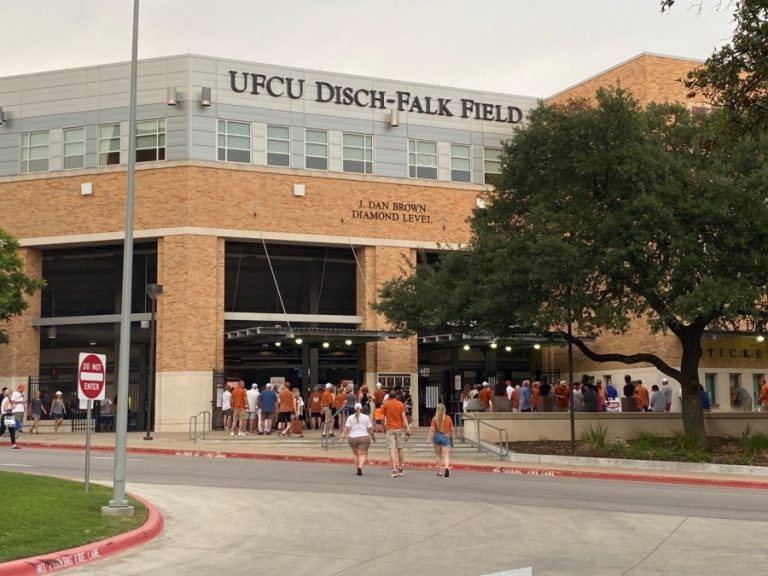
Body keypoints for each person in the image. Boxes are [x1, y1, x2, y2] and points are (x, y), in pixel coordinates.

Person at [339, 402, 375, 476]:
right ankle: (360, 467)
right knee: (363, 453)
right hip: (364, 437)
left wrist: (342, 438)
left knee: (355, 454)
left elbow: (346, 429)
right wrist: (373, 437)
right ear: (361, 409)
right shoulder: (366, 417)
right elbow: (370, 429)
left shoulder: (350, 417)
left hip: (352, 437)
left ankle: (357, 468)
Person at [382, 389, 411, 478]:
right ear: (396, 396)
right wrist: (408, 428)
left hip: (390, 428)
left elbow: (383, 418)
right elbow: (403, 417)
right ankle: (400, 468)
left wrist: (383, 427)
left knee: (391, 449)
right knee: (400, 448)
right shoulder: (400, 404)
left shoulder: (386, 404)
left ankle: (394, 469)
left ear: (389, 396)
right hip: (399, 428)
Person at [427, 403, 453, 477]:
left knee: (438, 455)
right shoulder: (448, 418)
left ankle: (439, 471)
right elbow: (451, 429)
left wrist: (428, 439)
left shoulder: (434, 418)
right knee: (446, 455)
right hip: (445, 436)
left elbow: (432, 429)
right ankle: (447, 467)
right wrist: (451, 437)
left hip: (437, 436)